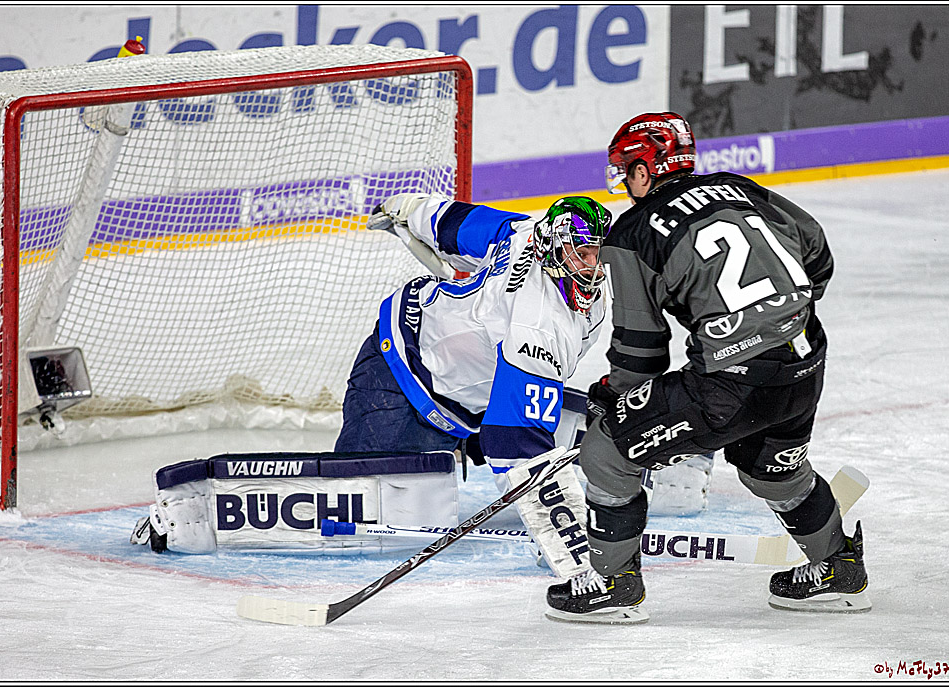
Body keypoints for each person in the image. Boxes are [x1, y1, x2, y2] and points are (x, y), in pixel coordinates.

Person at [545, 112, 869, 624]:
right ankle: (839, 568)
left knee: (606, 450)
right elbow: (817, 252)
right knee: (771, 467)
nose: (625, 181)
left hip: (730, 386)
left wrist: (619, 398)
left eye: (627, 169)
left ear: (646, 169)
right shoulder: (740, 189)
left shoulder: (631, 234)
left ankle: (612, 584)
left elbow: (642, 349)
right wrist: (779, 316)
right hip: (805, 364)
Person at [335, 193, 610, 491]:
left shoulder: (525, 233)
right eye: (581, 254)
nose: (592, 266)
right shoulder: (536, 325)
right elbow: (518, 448)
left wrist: (409, 208)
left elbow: (453, 223)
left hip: (462, 379)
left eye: (595, 252)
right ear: (554, 245)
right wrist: (563, 527)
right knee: (363, 498)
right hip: (405, 371)